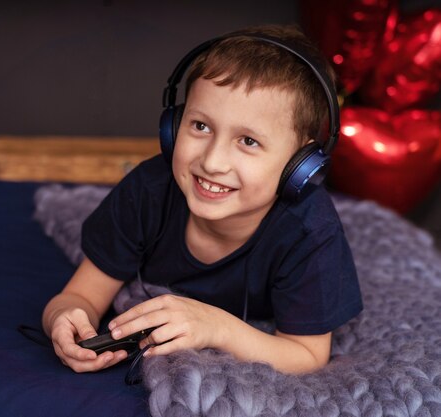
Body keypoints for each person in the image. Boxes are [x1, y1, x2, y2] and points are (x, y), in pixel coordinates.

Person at [42, 25, 363, 375]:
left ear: (300, 166)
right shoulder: (148, 191)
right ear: (173, 125)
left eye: (248, 141)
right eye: (200, 126)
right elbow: (81, 297)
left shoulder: (310, 231)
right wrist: (65, 320)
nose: (211, 162)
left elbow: (306, 353)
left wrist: (216, 327)